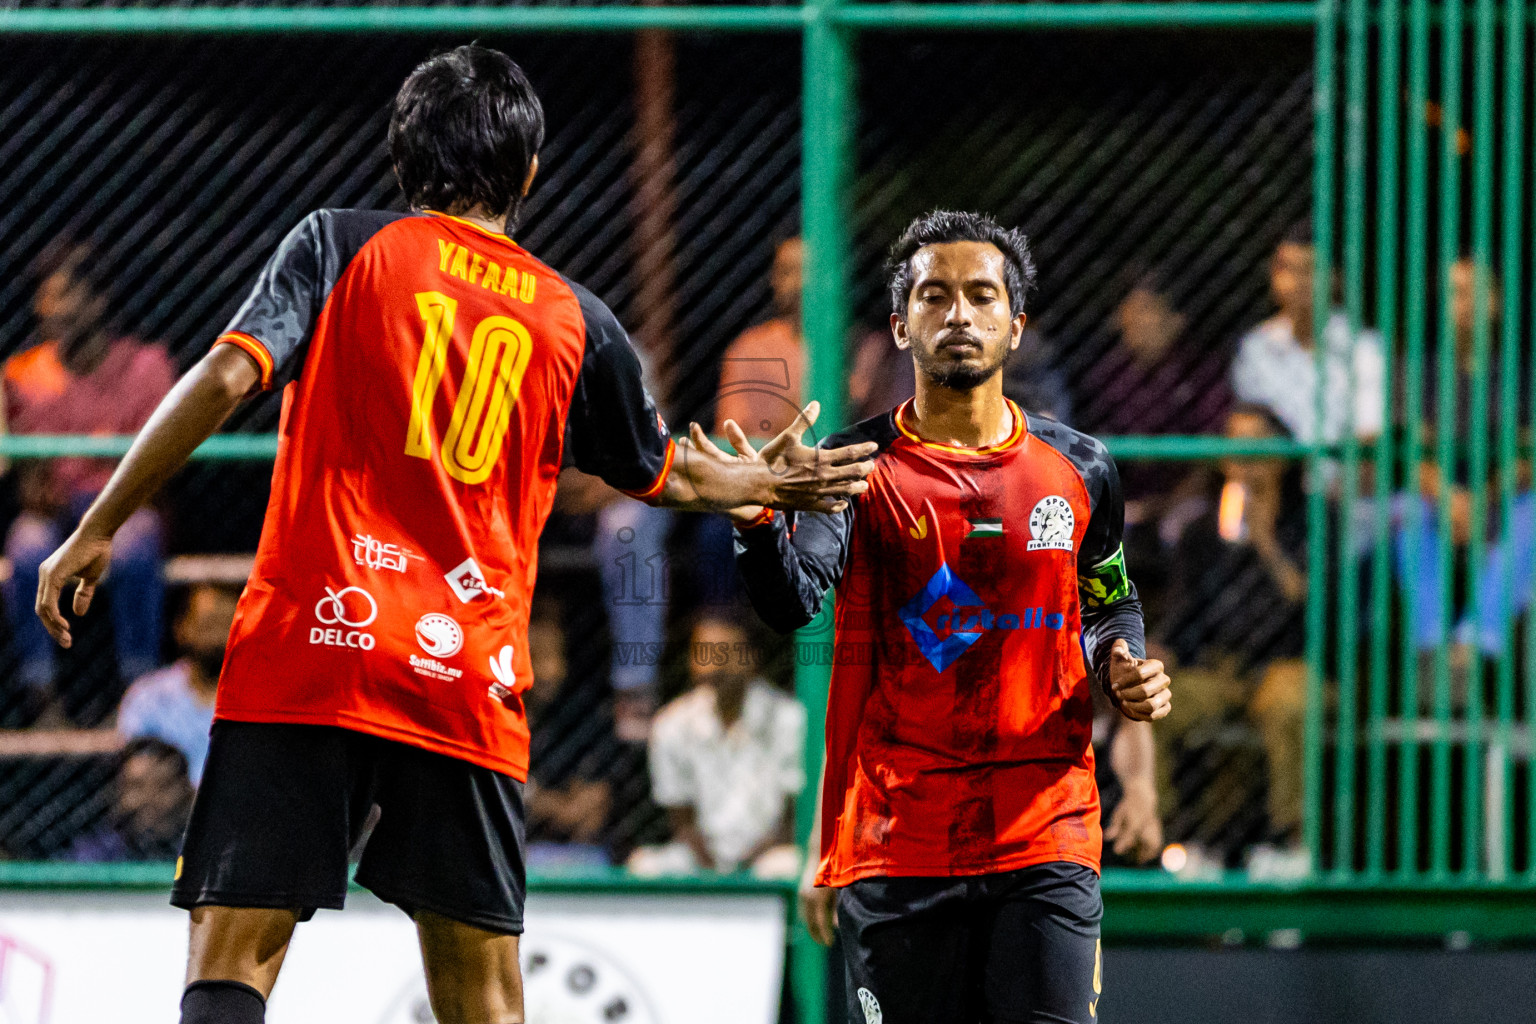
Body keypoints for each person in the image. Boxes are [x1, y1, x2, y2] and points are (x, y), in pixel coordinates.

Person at [32, 45, 875, 1024]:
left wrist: (97, 525)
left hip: (314, 644)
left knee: (231, 960)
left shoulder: (340, 244)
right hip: (462, 672)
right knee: (483, 998)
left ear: (401, 160)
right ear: (526, 174)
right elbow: (666, 470)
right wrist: (763, 477)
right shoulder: (576, 318)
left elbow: (226, 374)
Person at [701, 210, 1171, 1024]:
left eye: (982, 296)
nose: (959, 314)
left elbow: (1108, 596)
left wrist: (1119, 660)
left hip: (1045, 834)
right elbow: (793, 599)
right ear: (899, 325)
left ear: (1015, 326)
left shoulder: (1082, 467)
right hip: (899, 839)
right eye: (935, 296)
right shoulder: (853, 467)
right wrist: (755, 518)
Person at [3, 243, 176, 720]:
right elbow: (17, 471)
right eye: (44, 297)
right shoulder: (21, 374)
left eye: (63, 296)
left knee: (137, 545)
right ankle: (44, 703)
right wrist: (32, 484)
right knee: (24, 547)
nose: (49, 310)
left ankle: (139, 697)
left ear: (97, 301)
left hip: (122, 510)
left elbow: (158, 468)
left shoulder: (147, 366)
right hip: (55, 514)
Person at [630, 611, 805, 878]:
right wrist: (715, 869)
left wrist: (744, 869)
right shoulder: (671, 725)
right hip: (702, 857)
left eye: (723, 652)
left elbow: (792, 817)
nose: (712, 666)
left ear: (751, 658)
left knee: (788, 867)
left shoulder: (789, 719)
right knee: (645, 867)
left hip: (768, 854)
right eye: (702, 653)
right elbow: (682, 821)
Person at [1230, 227, 1385, 445]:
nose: (1298, 283)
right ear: (1273, 278)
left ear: (1334, 278)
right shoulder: (1254, 349)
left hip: (1347, 477)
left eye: (1310, 270)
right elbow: (1249, 437)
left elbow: (1370, 434)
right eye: (1288, 270)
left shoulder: (1365, 347)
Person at [523, 600, 618, 869]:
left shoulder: (576, 718)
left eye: (555, 656)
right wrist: (551, 805)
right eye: (537, 656)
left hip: (572, 849)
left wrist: (545, 803)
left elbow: (591, 807)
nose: (550, 671)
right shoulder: (497, 715)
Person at [116, 583, 239, 785]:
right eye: (208, 625)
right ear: (181, 628)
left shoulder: (260, 701)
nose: (217, 638)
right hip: (165, 807)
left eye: (226, 626)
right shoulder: (148, 696)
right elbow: (134, 767)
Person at [715, 236, 806, 440]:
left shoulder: (863, 348)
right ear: (774, 279)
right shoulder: (749, 349)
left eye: (807, 271)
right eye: (788, 271)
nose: (798, 283)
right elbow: (727, 436)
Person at [66, 737, 195, 862]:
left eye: (163, 785)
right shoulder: (100, 852)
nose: (148, 798)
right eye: (136, 786)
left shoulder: (199, 849)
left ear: (185, 791)